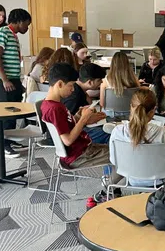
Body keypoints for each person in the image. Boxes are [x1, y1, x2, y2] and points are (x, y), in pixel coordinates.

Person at [41, 63, 119, 205]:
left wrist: (78, 116)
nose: (72, 89)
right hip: (79, 155)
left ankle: (111, 190)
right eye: (70, 85)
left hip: (81, 150)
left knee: (118, 150)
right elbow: (68, 140)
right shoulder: (55, 108)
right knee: (124, 156)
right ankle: (105, 193)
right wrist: (83, 119)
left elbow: (66, 125)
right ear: (59, 84)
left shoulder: (51, 104)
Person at [109, 89, 165, 187]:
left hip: (132, 179)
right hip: (160, 182)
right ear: (153, 111)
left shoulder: (117, 131)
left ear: (131, 107)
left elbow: (114, 160)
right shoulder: (161, 132)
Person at [0, 8, 31, 157]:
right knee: (4, 111)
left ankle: (10, 139)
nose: (27, 27)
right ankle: (3, 145)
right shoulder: (2, 33)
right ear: (19, 22)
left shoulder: (13, 35)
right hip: (1, 80)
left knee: (13, 110)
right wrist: (5, 79)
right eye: (26, 24)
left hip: (12, 78)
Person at [62, 63, 109, 144]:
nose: (101, 82)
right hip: (71, 136)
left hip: (78, 129)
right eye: (99, 80)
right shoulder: (75, 96)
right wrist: (87, 120)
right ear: (90, 82)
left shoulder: (80, 90)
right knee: (109, 133)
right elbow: (67, 123)